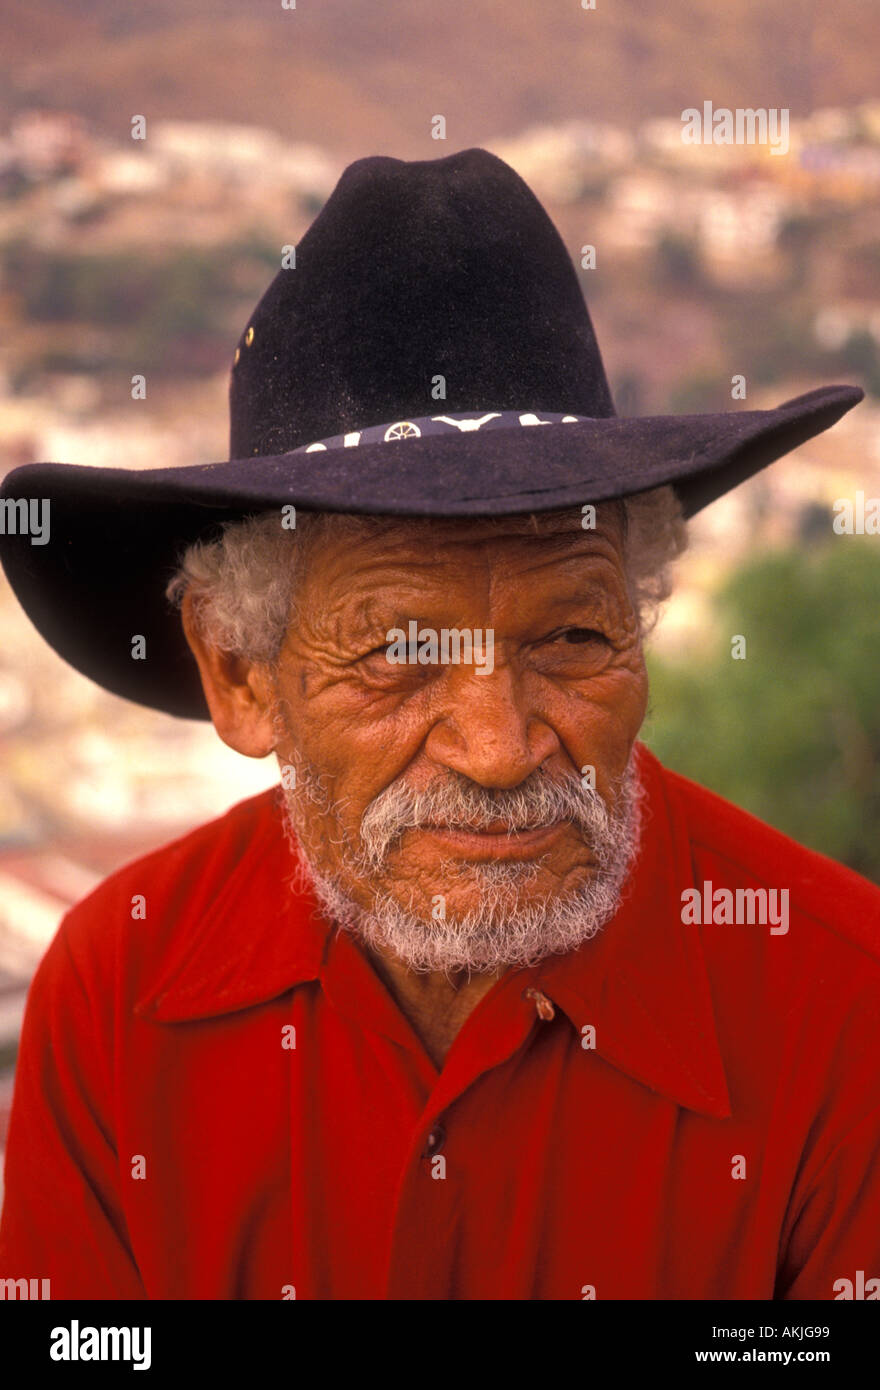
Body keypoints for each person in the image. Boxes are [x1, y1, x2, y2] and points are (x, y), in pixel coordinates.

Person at [0, 148, 877, 1301]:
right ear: (240, 676)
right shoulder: (117, 993)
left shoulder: (843, 1006)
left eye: (570, 639)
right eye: (401, 653)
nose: (501, 746)